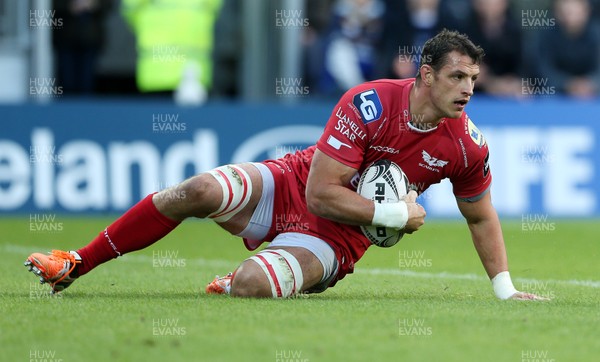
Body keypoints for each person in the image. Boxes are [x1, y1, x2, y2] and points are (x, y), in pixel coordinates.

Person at [25, 29, 547, 301]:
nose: (469, 90)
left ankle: (239, 280)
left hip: (339, 238)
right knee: (195, 190)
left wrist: (504, 290)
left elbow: (481, 216)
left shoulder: (467, 146)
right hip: (294, 183)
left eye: (474, 79)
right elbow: (320, 193)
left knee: (252, 287)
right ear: (426, 75)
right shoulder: (368, 102)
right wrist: (394, 216)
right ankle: (77, 261)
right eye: (458, 77)